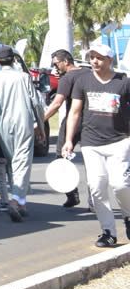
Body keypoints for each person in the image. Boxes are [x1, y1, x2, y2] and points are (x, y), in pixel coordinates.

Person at [63, 42, 130, 248]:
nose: (94, 61)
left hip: (120, 141)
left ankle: (128, 215)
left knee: (120, 185)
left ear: (110, 60)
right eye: (92, 56)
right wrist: (68, 140)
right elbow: (74, 112)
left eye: (99, 57)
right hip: (91, 143)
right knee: (96, 187)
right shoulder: (83, 80)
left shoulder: (124, 82)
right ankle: (108, 231)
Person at [0, 45, 46, 222]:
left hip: (2, 124)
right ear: (14, 59)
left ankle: (22, 202)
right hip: (23, 123)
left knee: (13, 164)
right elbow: (36, 103)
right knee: (22, 163)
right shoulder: (24, 77)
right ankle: (15, 200)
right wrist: (41, 127)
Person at [44, 49, 88, 208]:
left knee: (60, 157)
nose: (55, 68)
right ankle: (94, 200)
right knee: (92, 161)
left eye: (56, 64)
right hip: (91, 121)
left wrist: (40, 120)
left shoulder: (67, 78)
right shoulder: (88, 73)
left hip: (72, 121)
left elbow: (56, 104)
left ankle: (72, 194)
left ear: (66, 61)